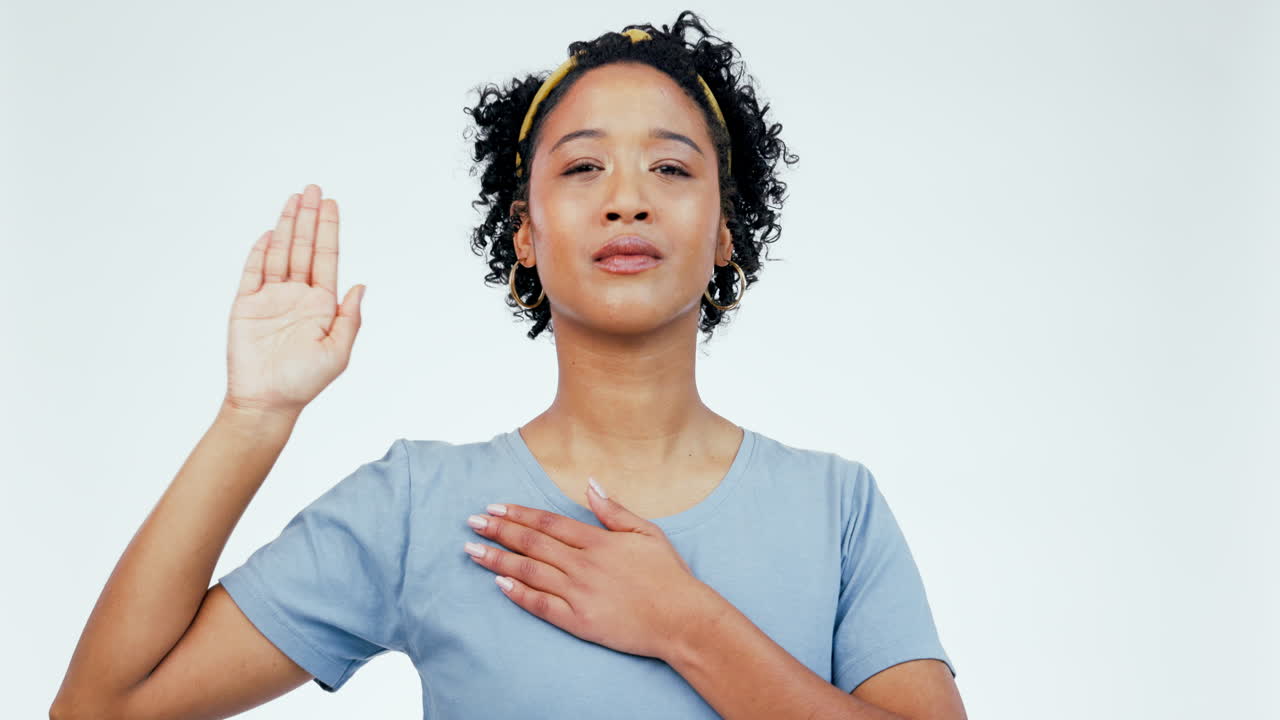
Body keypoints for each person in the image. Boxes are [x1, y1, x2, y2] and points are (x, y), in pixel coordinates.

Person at [51, 10, 965, 720]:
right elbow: (99, 709)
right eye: (582, 169)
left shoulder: (837, 509)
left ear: (725, 232)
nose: (627, 200)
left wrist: (684, 623)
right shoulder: (418, 507)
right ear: (525, 234)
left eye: (671, 169)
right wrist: (254, 418)